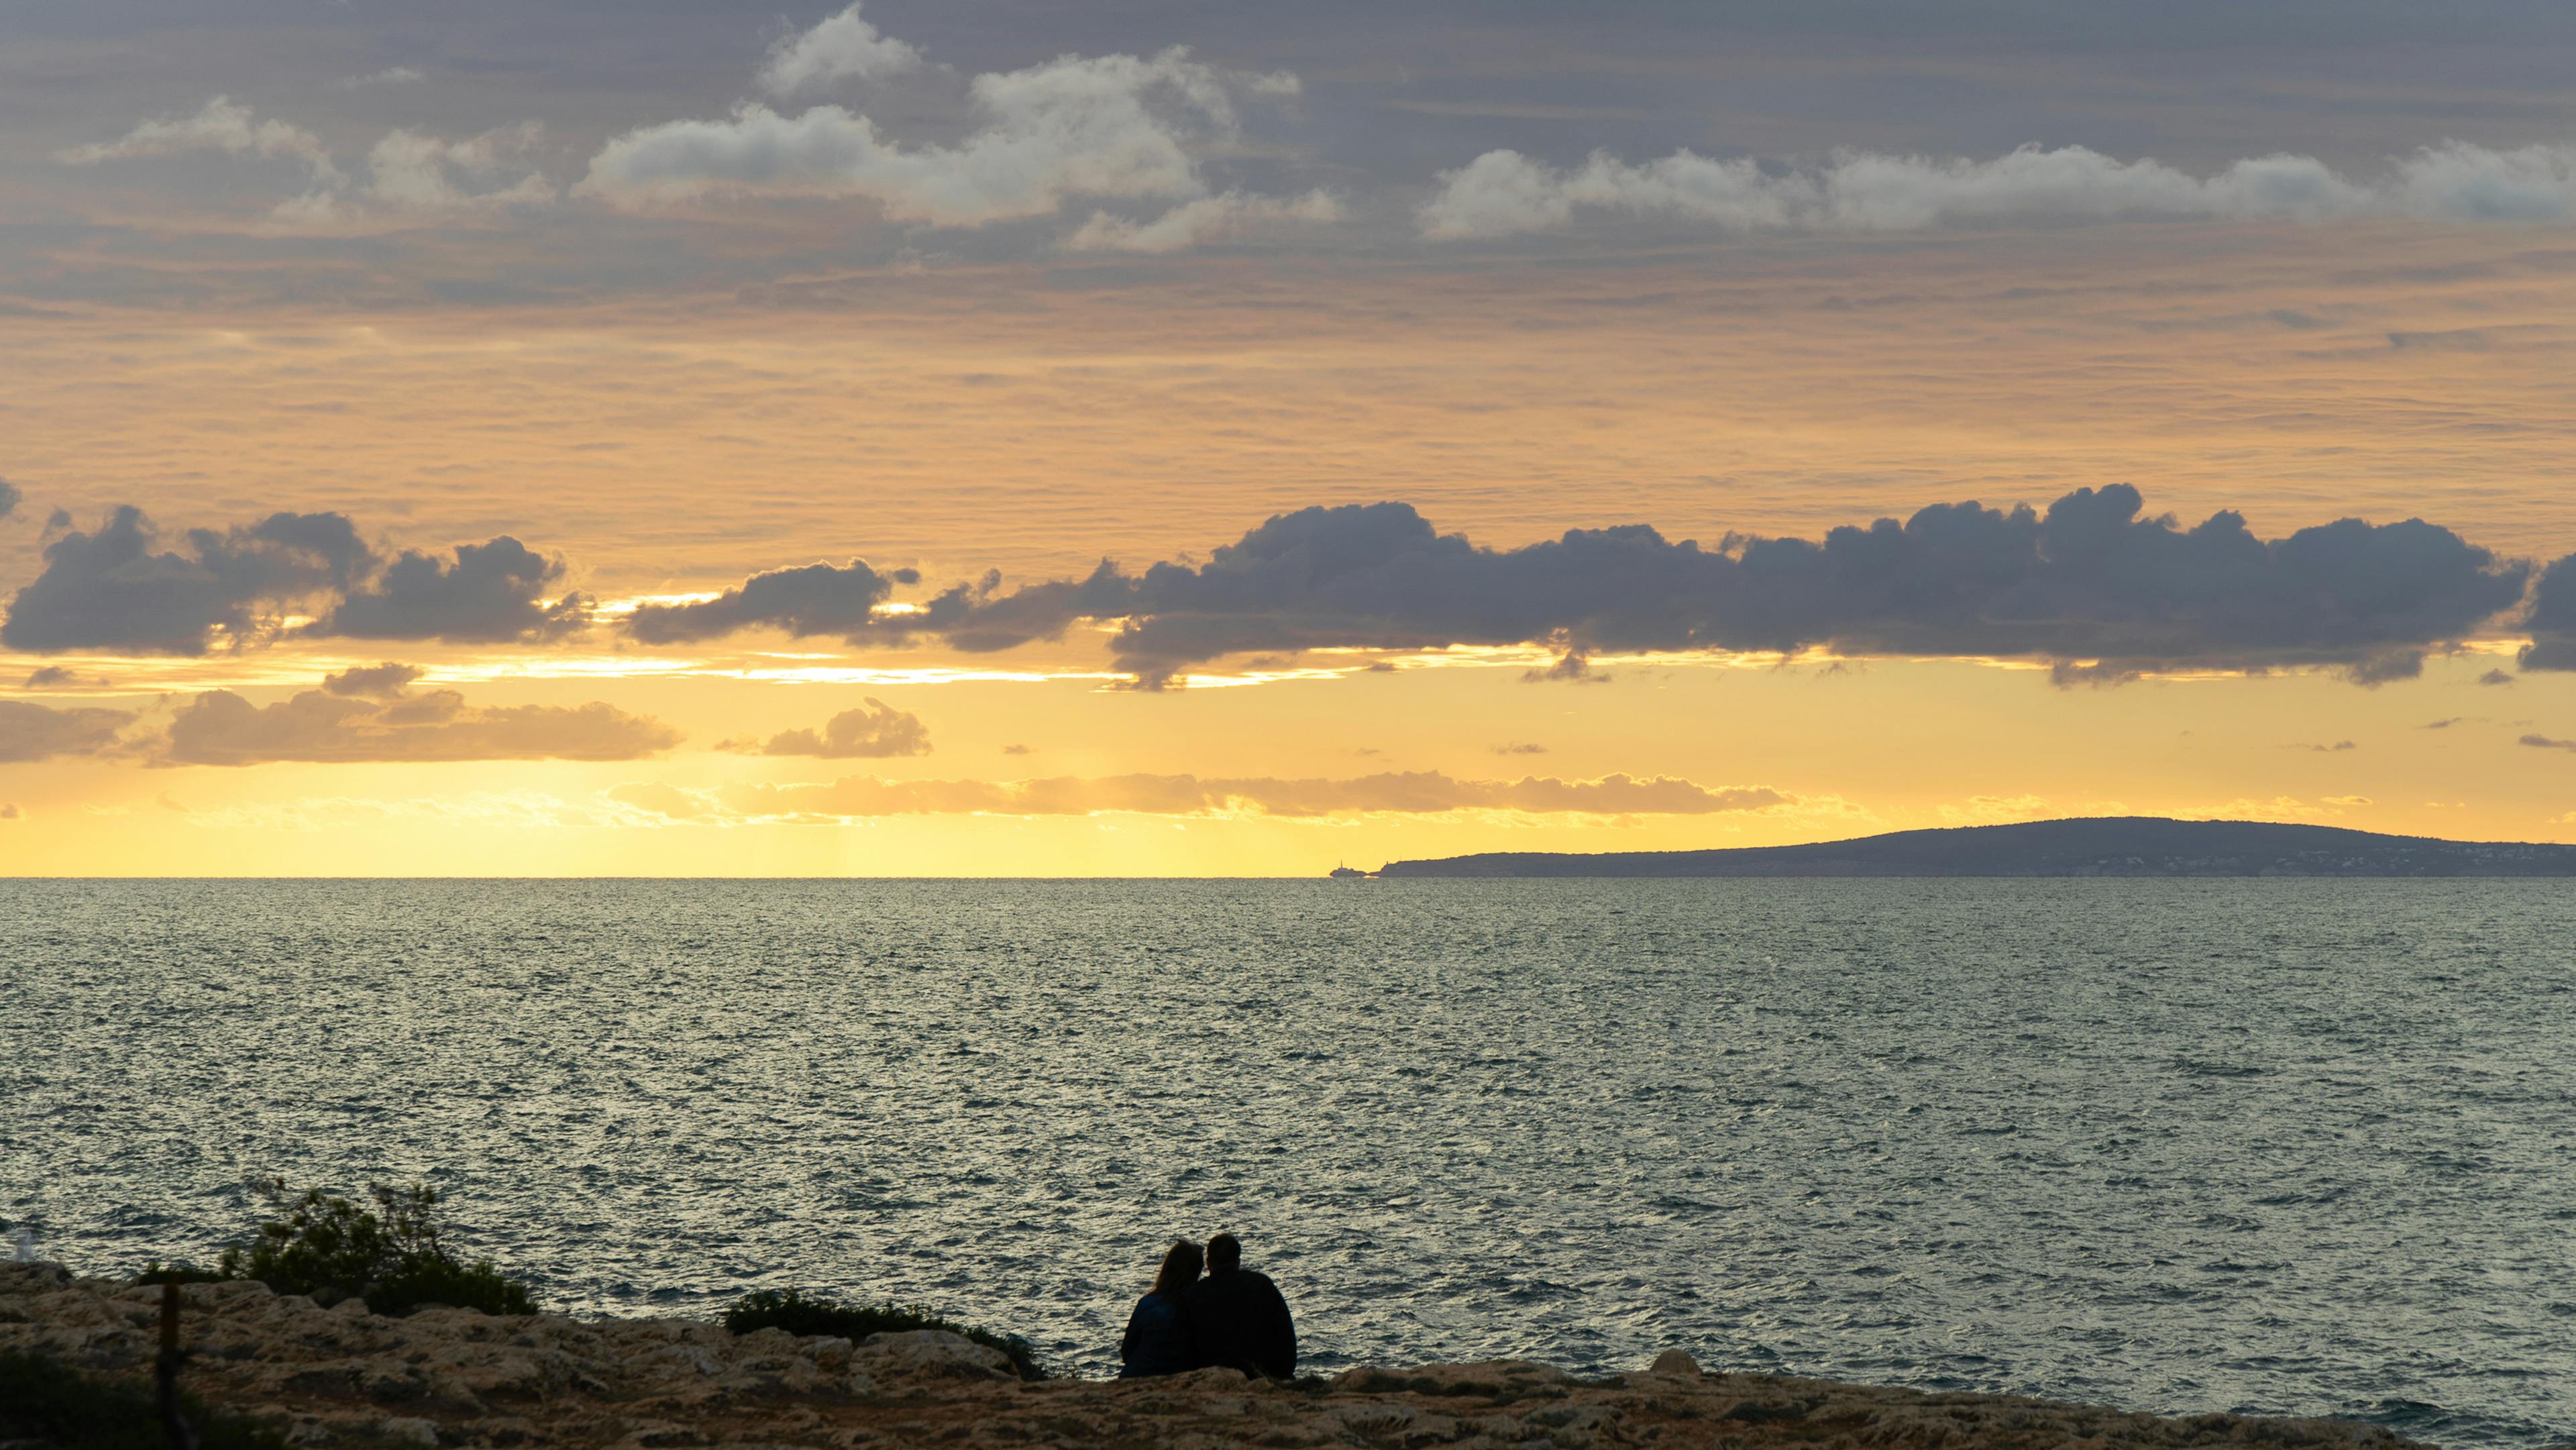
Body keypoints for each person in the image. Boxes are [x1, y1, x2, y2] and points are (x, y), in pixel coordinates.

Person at [1183, 1231, 1296, 1380]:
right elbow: (1286, 1337)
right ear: (1238, 1262)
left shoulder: (1195, 1294)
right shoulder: (1262, 1285)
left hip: (1212, 1377)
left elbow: (1186, 1346)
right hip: (1263, 1375)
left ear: (1208, 1263)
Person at [1118, 1239, 1203, 1378]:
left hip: (1136, 1377)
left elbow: (1127, 1351)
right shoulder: (1200, 1308)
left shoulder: (1148, 1304)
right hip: (1180, 1379)